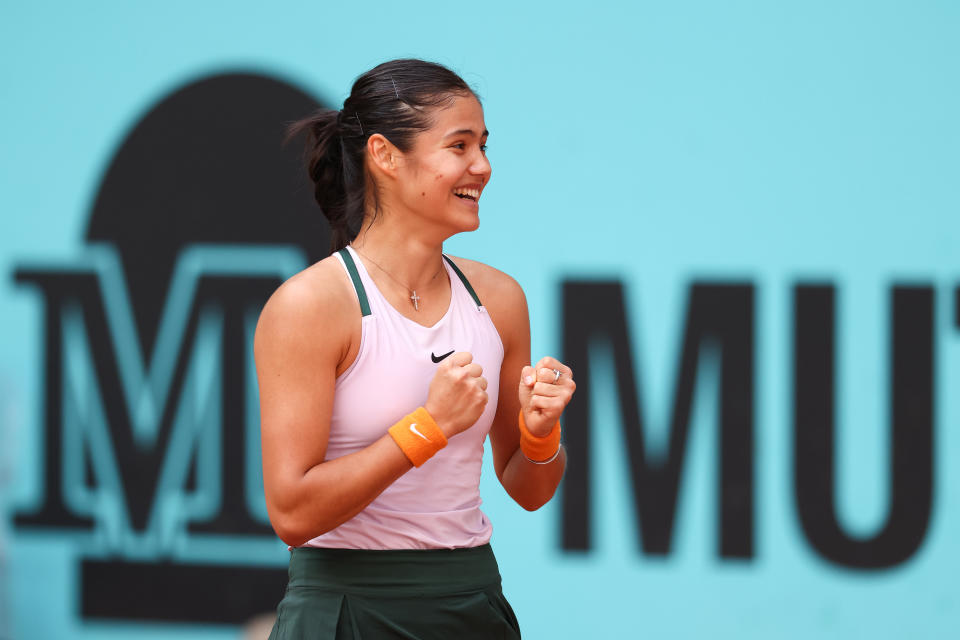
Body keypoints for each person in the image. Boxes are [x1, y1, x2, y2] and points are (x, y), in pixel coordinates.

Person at [255, 58, 576, 639]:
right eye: (459, 146)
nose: (482, 167)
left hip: (471, 603)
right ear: (384, 155)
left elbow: (530, 490)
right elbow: (292, 514)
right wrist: (429, 426)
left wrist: (540, 434)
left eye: (483, 145)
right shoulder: (310, 305)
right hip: (344, 609)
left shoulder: (499, 300)